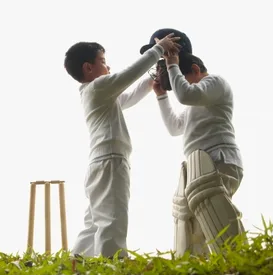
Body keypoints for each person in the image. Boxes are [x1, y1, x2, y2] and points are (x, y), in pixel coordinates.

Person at [64, 34, 180, 258]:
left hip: (100, 163)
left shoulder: (96, 93)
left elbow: (129, 96)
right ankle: (113, 269)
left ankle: (75, 264)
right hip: (110, 161)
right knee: (113, 219)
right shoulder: (99, 87)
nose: (108, 66)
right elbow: (129, 74)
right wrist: (158, 49)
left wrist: (152, 80)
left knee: (94, 222)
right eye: (103, 61)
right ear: (88, 68)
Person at [142, 29, 247, 256]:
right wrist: (161, 96)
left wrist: (172, 63)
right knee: (192, 227)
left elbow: (187, 94)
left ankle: (242, 268)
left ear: (196, 70)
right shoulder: (194, 102)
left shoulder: (215, 83)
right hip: (198, 164)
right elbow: (174, 127)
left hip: (219, 158)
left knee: (216, 217)